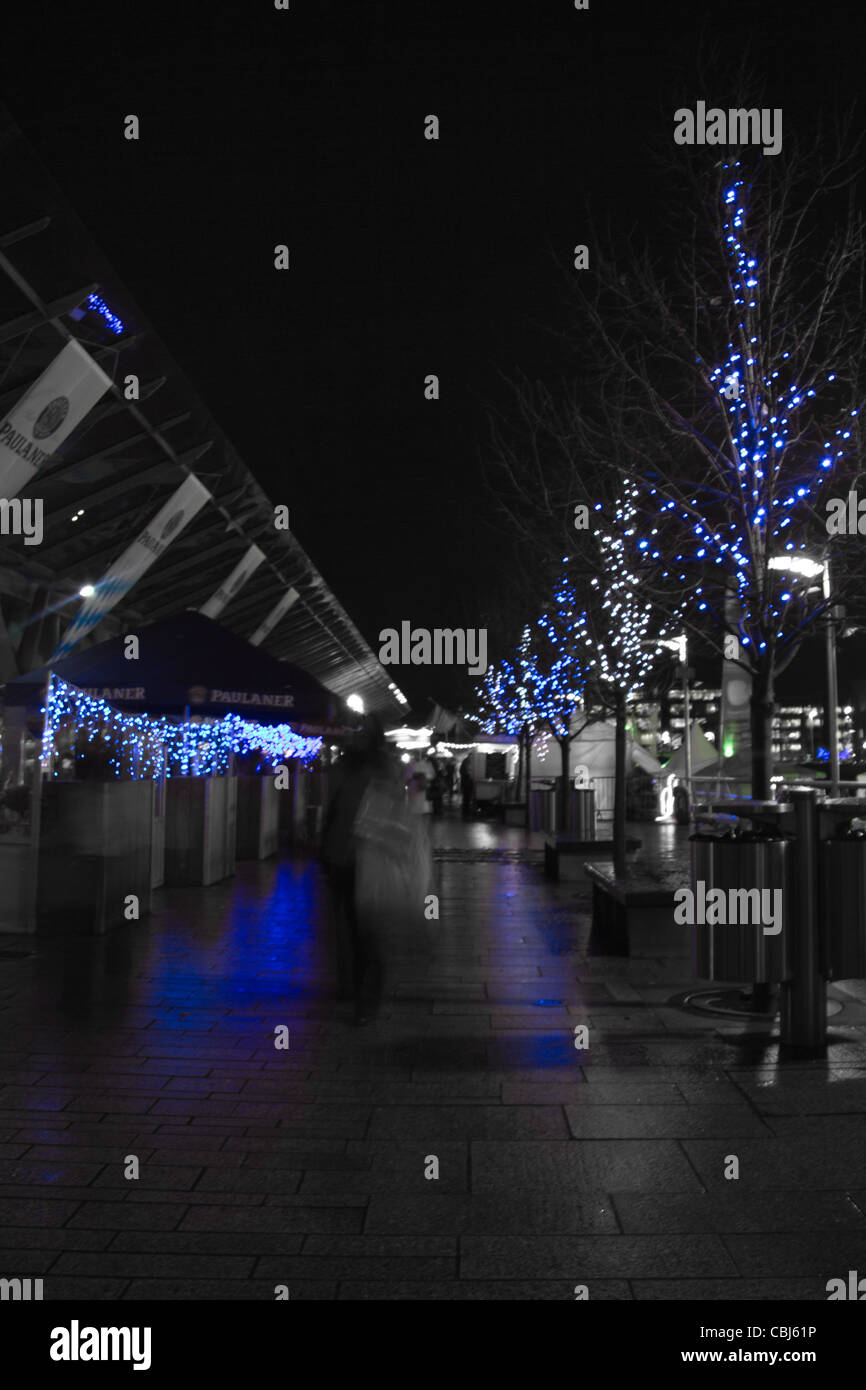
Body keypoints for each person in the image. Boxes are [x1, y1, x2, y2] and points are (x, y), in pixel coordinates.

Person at [320, 719, 389, 1023]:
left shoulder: (353, 772)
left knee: (355, 928)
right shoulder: (379, 773)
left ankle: (357, 989)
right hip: (355, 860)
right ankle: (360, 991)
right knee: (358, 929)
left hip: (353, 859)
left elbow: (329, 813)